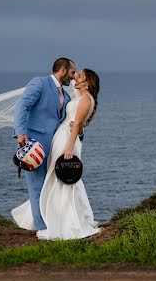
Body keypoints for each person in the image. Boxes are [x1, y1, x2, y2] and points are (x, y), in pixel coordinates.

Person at [10, 57, 76, 234]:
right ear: (62, 70)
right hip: (33, 145)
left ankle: (49, 223)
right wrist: (20, 133)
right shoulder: (39, 83)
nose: (73, 76)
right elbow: (22, 106)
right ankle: (43, 229)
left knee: (49, 187)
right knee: (36, 186)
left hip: (54, 148)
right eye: (72, 72)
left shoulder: (67, 95)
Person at [33, 69, 101, 241]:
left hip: (67, 141)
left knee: (64, 179)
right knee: (58, 178)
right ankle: (58, 218)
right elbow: (70, 86)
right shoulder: (82, 96)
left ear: (87, 82)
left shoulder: (86, 99)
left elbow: (77, 124)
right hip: (63, 136)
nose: (75, 77)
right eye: (75, 74)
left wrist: (69, 148)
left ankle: (68, 223)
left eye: (79, 76)